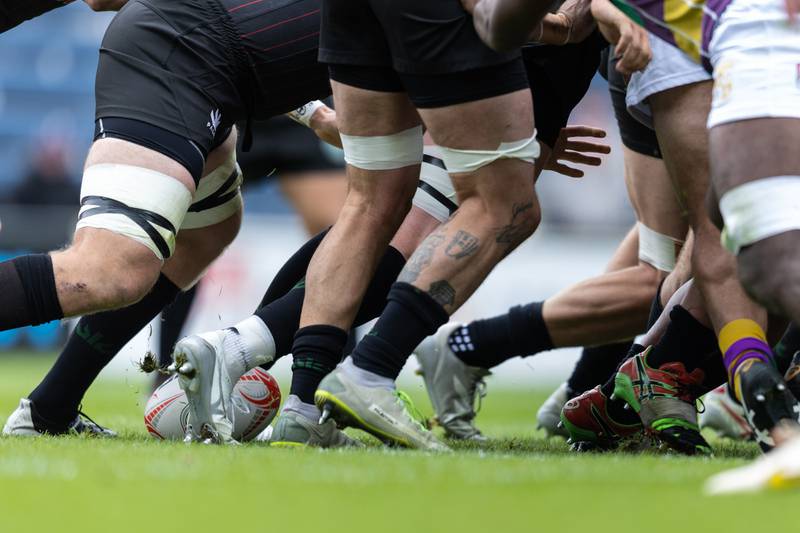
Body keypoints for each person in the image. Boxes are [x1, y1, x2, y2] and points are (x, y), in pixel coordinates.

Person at [1, 0, 337, 435]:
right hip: (177, 55)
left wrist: (310, 110)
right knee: (106, 270)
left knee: (204, 232)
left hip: (221, 79)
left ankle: (48, 410)